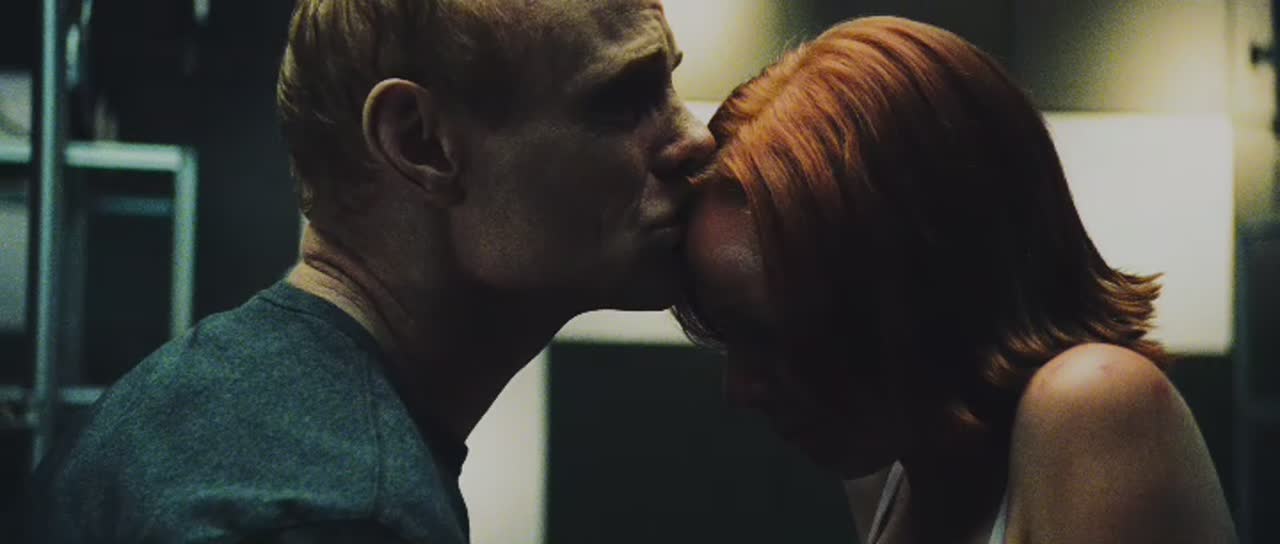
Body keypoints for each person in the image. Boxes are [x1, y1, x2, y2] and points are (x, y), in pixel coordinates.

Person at [24, 0, 713, 542]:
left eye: (669, 85)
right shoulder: (336, 512)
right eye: (624, 100)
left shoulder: (203, 397)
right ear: (420, 143)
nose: (695, 138)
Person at [677, 16, 1237, 544]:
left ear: (914, 277)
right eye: (731, 336)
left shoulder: (1094, 403)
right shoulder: (889, 474)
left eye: (774, 333)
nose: (739, 389)